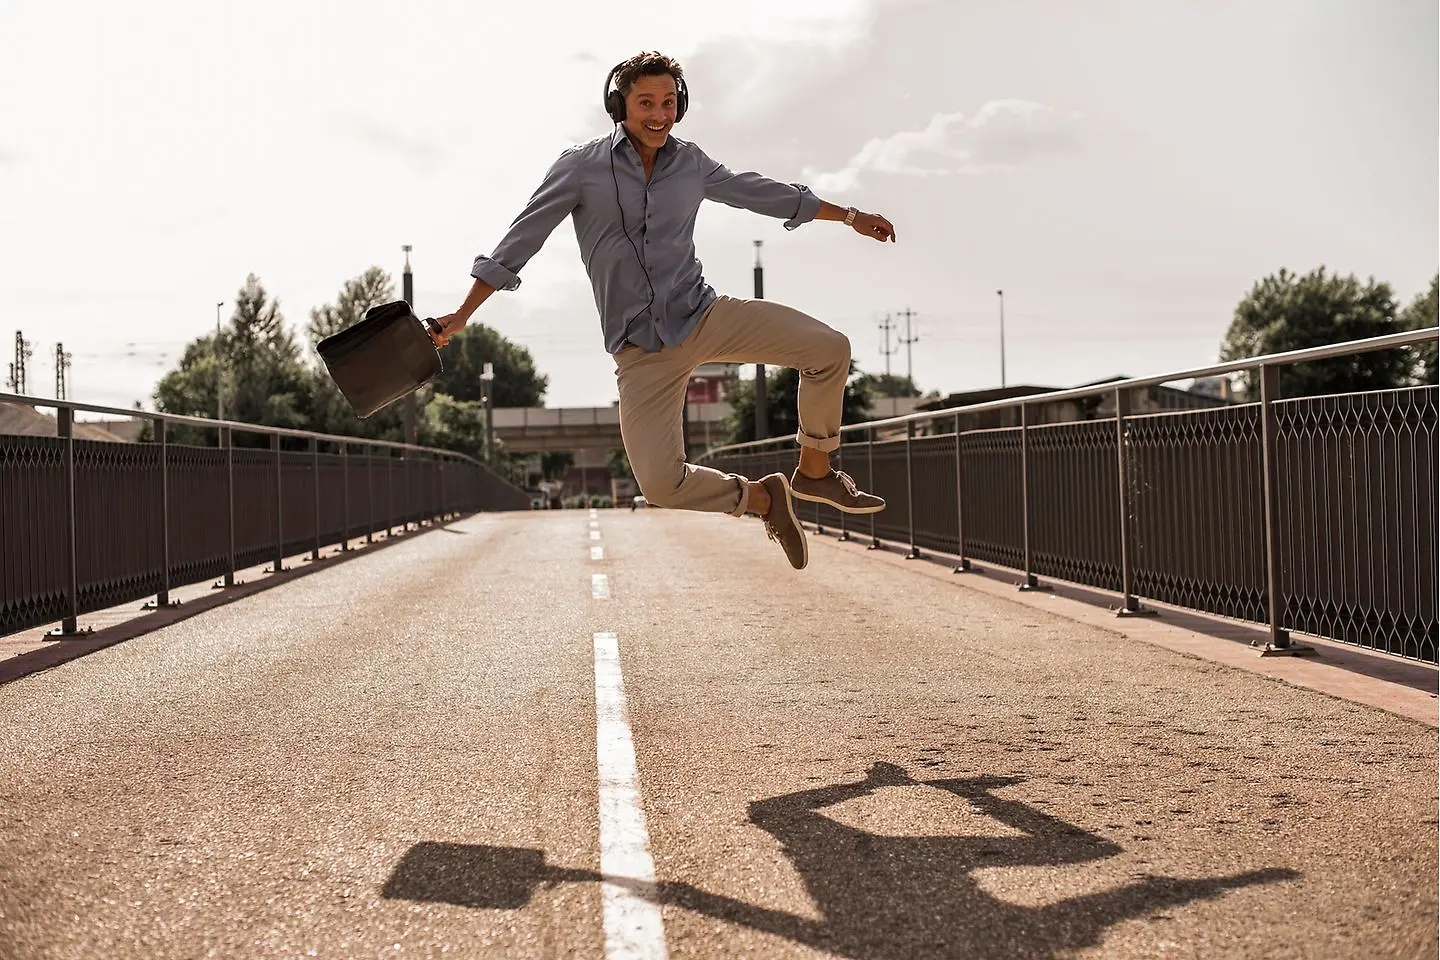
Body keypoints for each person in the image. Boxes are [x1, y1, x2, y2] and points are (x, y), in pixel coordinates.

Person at [433, 51, 894, 570]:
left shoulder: (690, 163)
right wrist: (463, 312)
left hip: (703, 316)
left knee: (829, 349)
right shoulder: (582, 167)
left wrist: (848, 216)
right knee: (660, 484)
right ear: (618, 105)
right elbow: (521, 238)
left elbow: (761, 193)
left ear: (681, 106)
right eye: (646, 102)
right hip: (641, 348)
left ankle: (814, 470)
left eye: (669, 103)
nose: (659, 115)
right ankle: (765, 499)